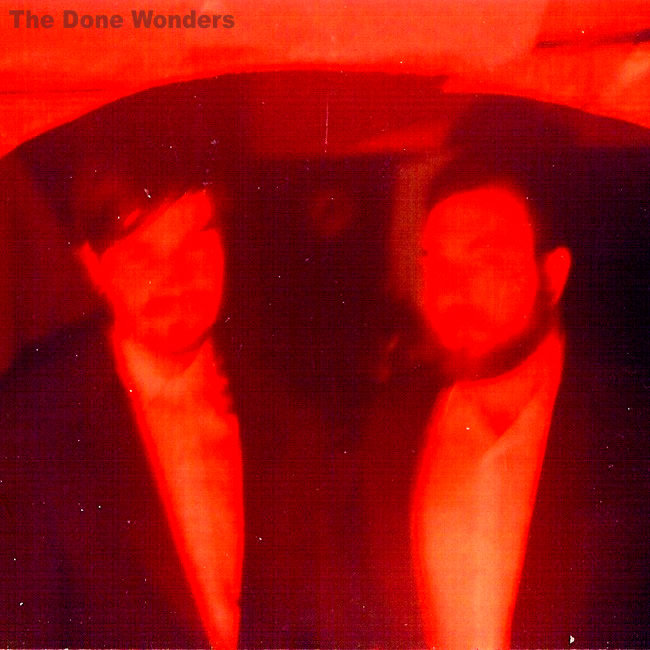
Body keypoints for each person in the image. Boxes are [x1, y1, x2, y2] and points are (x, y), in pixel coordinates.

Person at [359, 155, 648, 648]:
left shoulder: (630, 437)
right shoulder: (388, 426)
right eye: (436, 265)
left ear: (552, 274)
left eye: (486, 260)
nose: (450, 294)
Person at [0, 156, 242, 647]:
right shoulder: (31, 423)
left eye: (194, 243)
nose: (175, 276)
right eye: (142, 254)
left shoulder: (290, 409)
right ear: (93, 266)